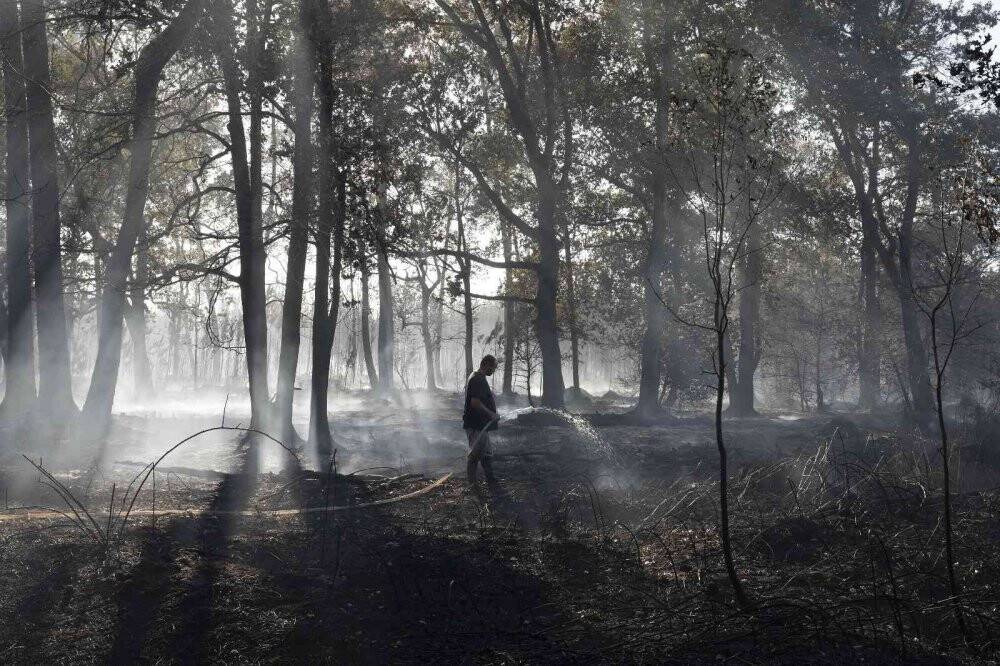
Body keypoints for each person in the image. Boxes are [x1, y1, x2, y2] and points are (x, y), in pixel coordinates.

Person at [463, 354, 500, 483]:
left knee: (486, 452)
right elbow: (475, 402)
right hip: (475, 424)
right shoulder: (477, 379)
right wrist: (491, 414)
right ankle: (472, 484)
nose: (493, 371)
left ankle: (491, 479)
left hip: (480, 425)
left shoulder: (477, 376)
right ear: (486, 364)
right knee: (475, 455)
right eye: (493, 368)